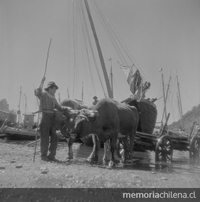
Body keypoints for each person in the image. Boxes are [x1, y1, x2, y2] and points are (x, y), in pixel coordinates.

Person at [34, 77, 65, 162]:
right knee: (45, 138)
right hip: (45, 117)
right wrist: (41, 82)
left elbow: (59, 107)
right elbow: (37, 93)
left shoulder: (53, 98)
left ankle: (52, 156)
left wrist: (66, 109)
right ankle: (43, 156)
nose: (55, 91)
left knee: (55, 137)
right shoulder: (43, 95)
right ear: (50, 88)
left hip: (53, 119)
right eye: (54, 89)